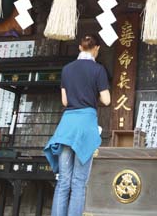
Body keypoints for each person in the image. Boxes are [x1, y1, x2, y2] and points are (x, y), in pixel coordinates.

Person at [44, 35, 110, 216]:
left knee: (63, 181)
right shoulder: (98, 70)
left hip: (67, 125)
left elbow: (65, 101)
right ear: (97, 48)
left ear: (80, 48)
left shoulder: (67, 69)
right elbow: (106, 99)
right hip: (85, 124)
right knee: (79, 181)